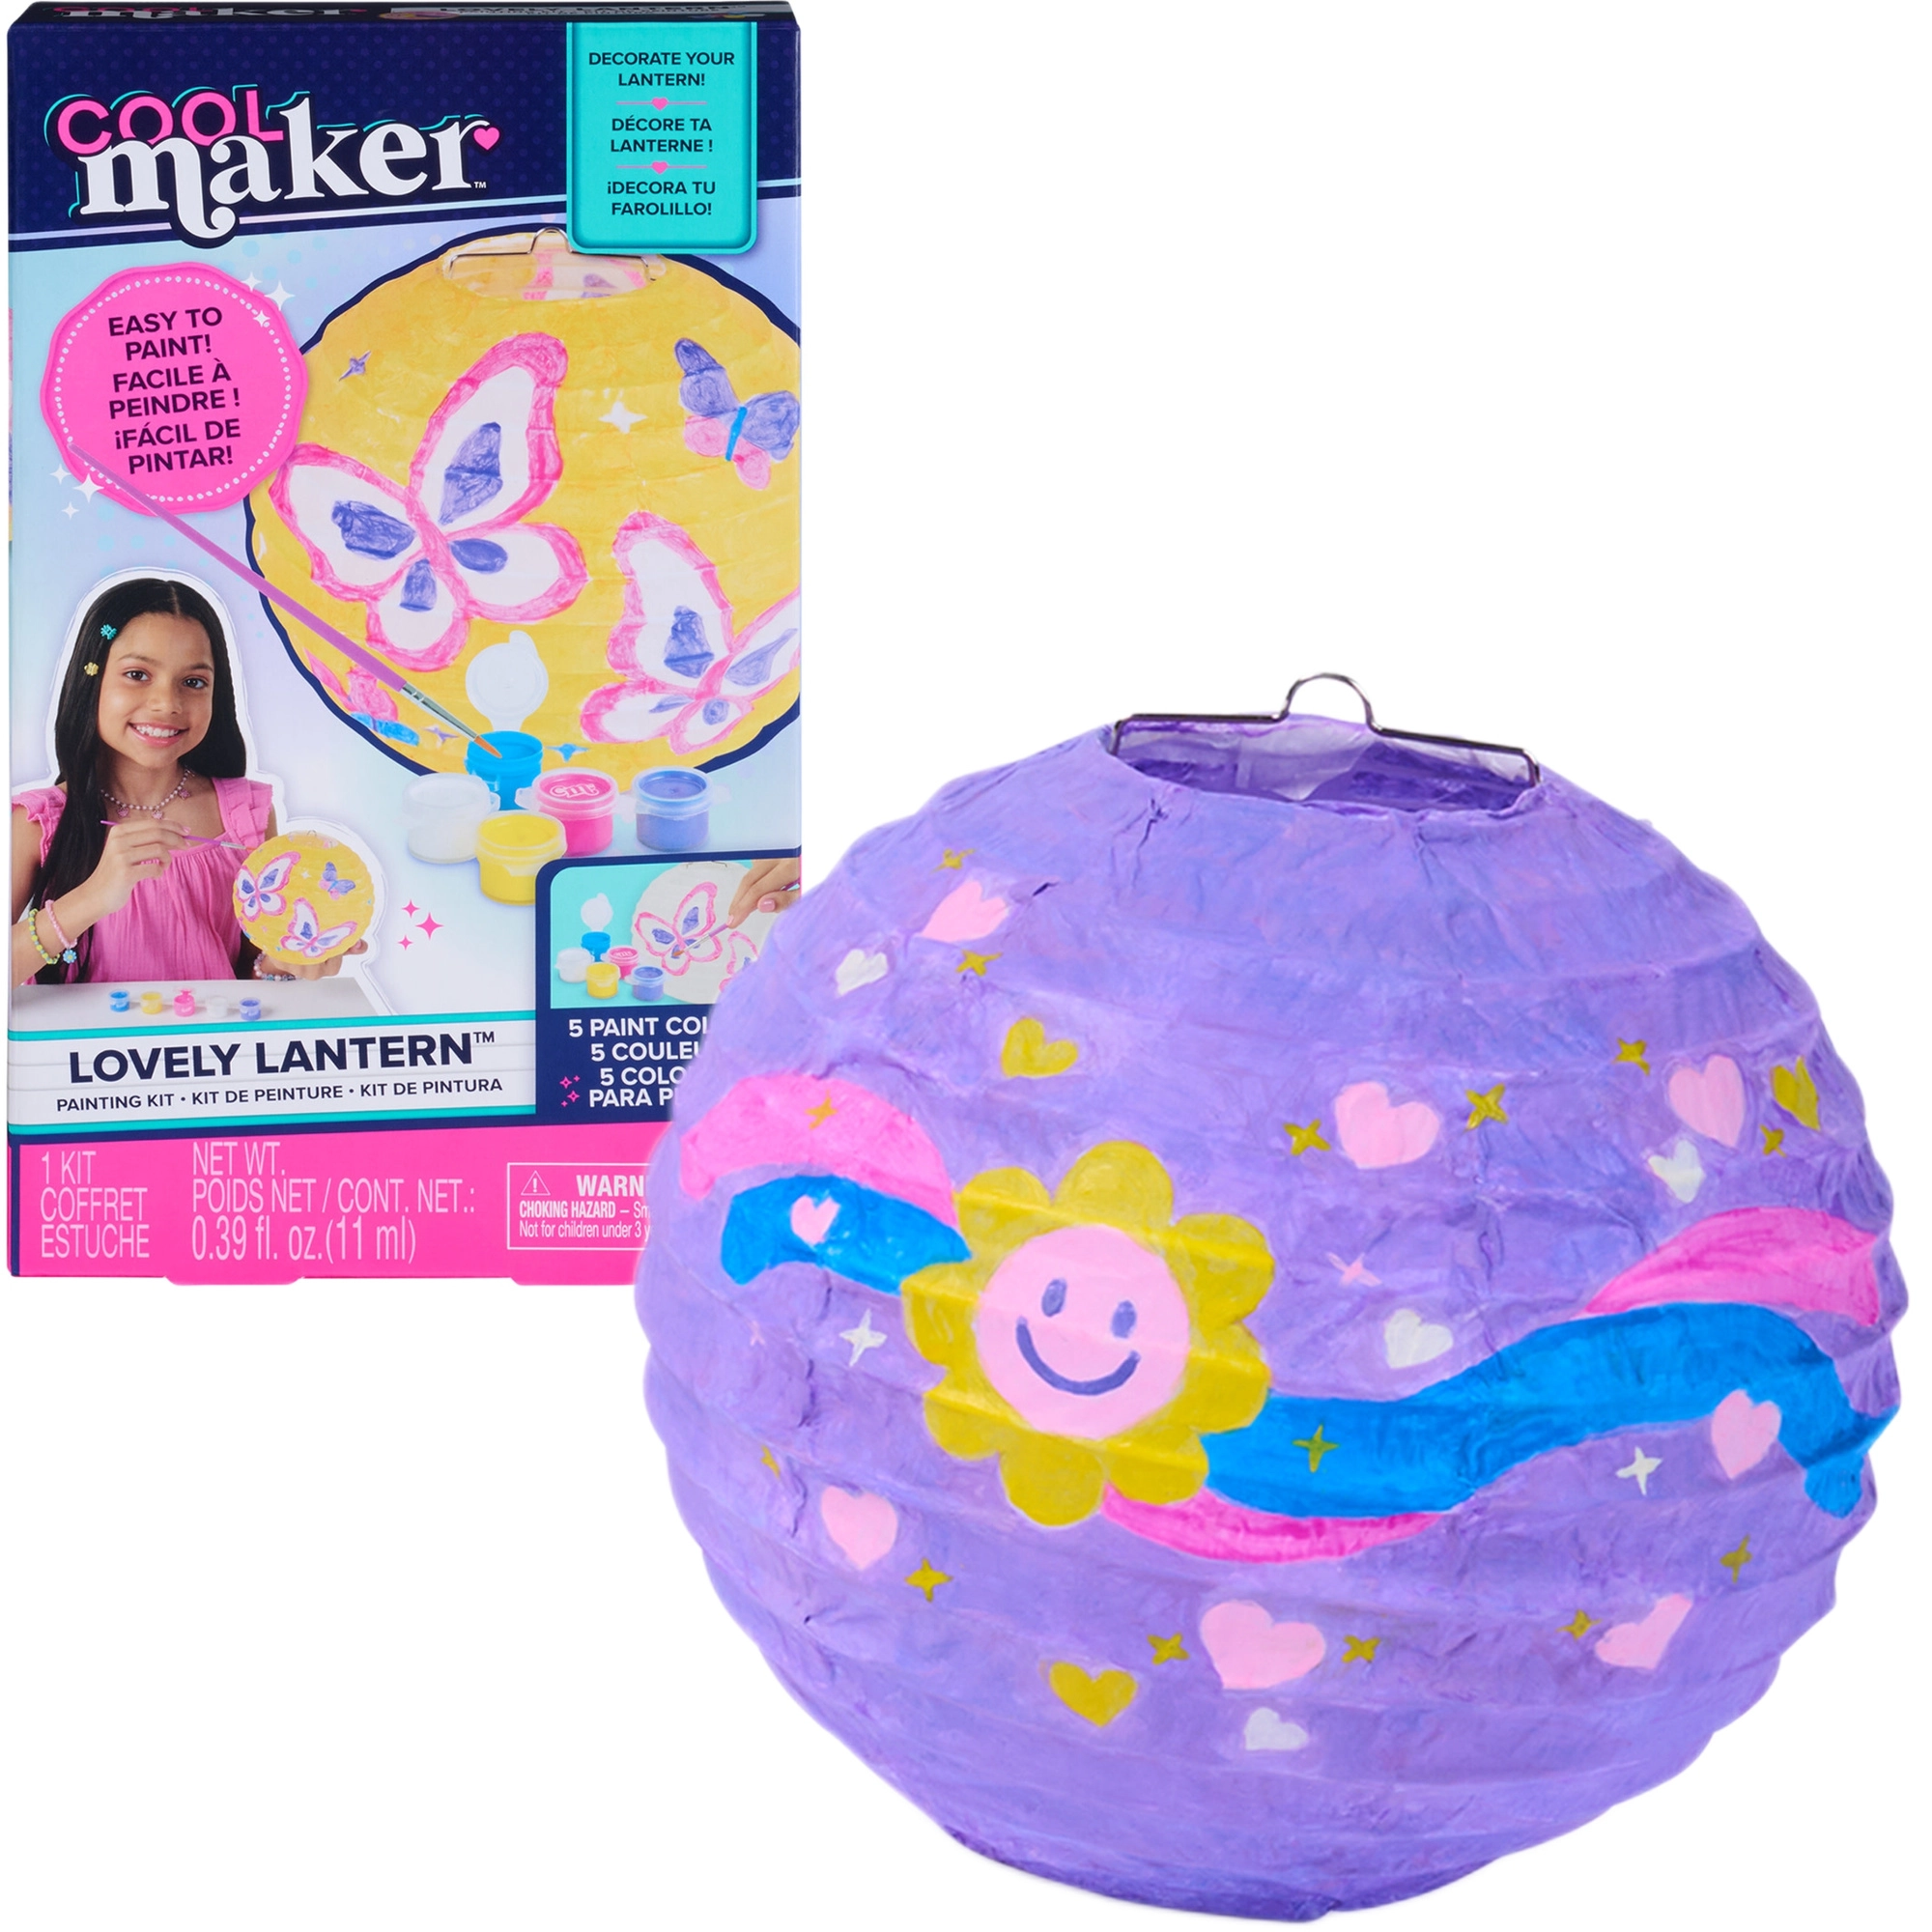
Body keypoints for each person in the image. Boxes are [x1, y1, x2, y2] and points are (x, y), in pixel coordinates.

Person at [11, 577, 358, 987]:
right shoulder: (38, 824)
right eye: (137, 674)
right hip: (81, 1035)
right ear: (92, 679)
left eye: (193, 682)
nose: (167, 704)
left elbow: (249, 973)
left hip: (212, 1033)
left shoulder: (244, 817)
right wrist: (91, 898)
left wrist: (282, 963)